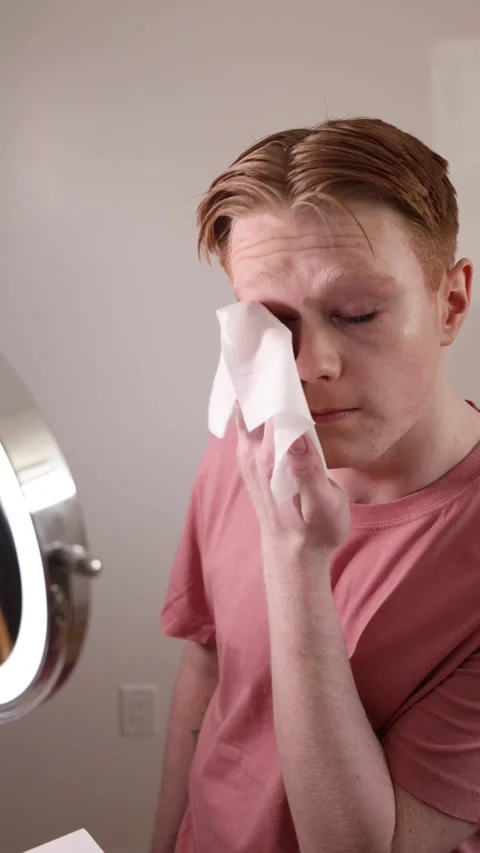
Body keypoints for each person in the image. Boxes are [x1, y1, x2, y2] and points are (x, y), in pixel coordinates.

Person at [150, 117, 480, 853]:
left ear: (451, 303)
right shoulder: (247, 449)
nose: (311, 364)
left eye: (358, 313)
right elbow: (207, 671)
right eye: (273, 323)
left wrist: (295, 559)